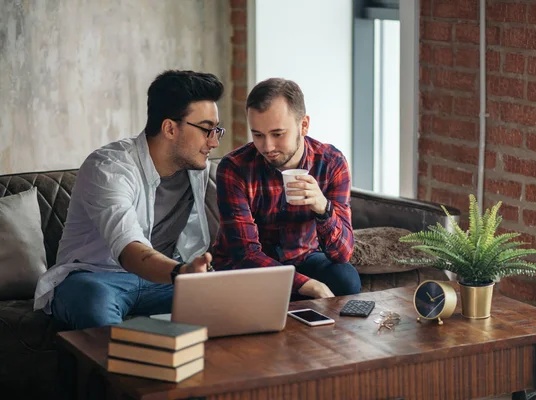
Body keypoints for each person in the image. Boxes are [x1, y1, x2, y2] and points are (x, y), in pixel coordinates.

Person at [33, 70, 225, 329]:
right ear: (170, 128)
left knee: (225, 302)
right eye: (206, 130)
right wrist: (180, 273)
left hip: (159, 283)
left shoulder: (195, 168)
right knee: (93, 301)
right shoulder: (109, 167)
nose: (214, 142)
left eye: (217, 130)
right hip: (96, 278)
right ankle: (123, 368)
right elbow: (129, 249)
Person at [211, 78, 360, 299]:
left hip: (303, 259)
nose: (267, 147)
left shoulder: (330, 163)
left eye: (278, 134)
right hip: (248, 269)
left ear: (304, 125)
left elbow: (343, 253)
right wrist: (307, 285)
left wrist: (323, 208)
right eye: (258, 135)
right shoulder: (235, 168)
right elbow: (246, 254)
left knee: (346, 278)